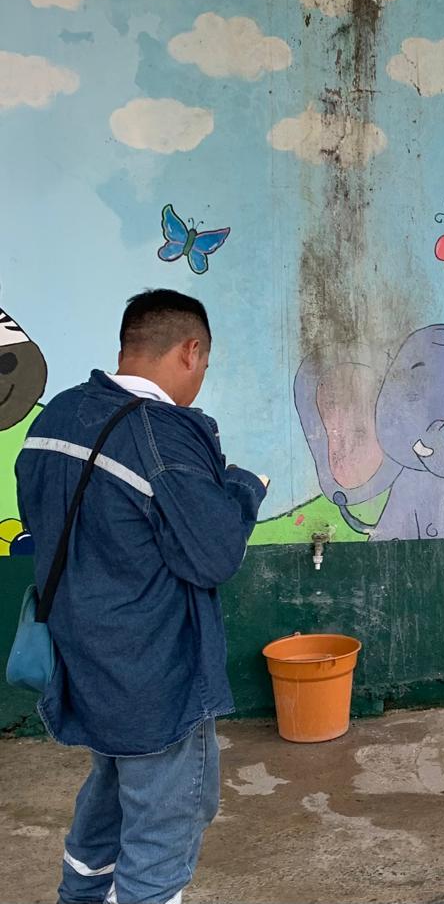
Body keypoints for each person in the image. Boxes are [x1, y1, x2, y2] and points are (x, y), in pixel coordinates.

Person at [15, 290, 267, 904]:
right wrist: (242, 488)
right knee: (167, 824)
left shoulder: (56, 417)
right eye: (203, 365)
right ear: (190, 351)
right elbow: (212, 556)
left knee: (109, 793)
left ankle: (80, 893)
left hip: (84, 658)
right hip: (155, 671)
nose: (199, 380)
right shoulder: (164, 436)